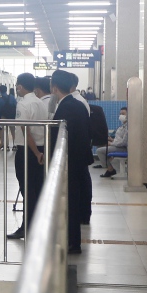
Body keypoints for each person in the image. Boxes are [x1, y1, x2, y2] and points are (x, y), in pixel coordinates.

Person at [51, 70, 93, 254]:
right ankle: (72, 241)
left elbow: (61, 137)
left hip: (71, 162)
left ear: (54, 87)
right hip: (78, 160)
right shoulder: (77, 104)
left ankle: (73, 243)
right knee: (72, 202)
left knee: (71, 203)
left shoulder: (65, 107)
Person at [7, 74, 47, 240]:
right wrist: (40, 152)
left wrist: (36, 153)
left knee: (27, 191)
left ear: (20, 86)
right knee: (37, 190)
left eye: (17, 85)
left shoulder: (23, 104)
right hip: (41, 148)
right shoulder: (40, 102)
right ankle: (37, 225)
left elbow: (25, 130)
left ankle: (27, 227)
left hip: (28, 151)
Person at [97, 107, 128, 178]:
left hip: (122, 148)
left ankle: (110, 169)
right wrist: (112, 140)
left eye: (123, 114)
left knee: (100, 151)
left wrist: (111, 143)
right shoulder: (123, 126)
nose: (121, 116)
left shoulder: (128, 127)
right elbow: (120, 139)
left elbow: (124, 142)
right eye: (120, 114)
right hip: (118, 146)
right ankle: (110, 168)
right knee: (101, 147)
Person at [0, 84, 16, 149]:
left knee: (3, 131)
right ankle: (15, 145)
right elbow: (16, 105)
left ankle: (5, 145)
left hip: (3, 117)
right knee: (13, 130)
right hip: (12, 117)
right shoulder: (11, 97)